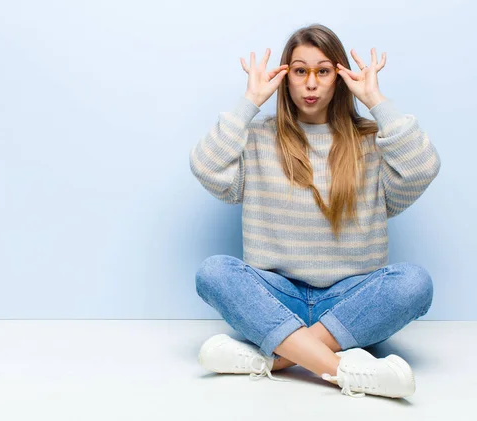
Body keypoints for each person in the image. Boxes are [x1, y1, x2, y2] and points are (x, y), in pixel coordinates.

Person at [189, 24, 441, 399]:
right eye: (300, 71)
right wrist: (249, 102)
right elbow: (206, 167)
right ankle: (343, 371)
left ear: (339, 77)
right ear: (285, 77)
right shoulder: (259, 138)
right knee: (213, 273)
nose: (311, 83)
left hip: (349, 301)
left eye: (322, 71)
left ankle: (275, 358)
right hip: (277, 297)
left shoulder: (372, 140)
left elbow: (423, 167)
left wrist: (376, 100)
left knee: (414, 283)